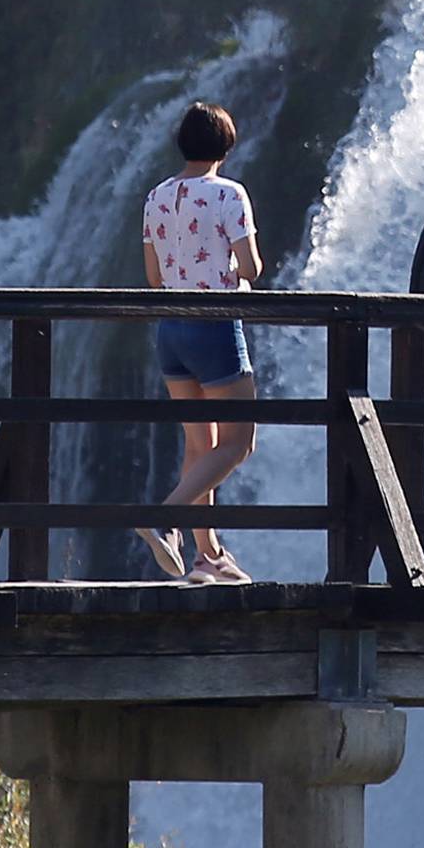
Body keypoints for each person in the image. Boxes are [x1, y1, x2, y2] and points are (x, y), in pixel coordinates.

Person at [137, 101, 262, 584]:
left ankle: (206, 556)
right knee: (237, 442)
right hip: (214, 325)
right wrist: (235, 274)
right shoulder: (230, 194)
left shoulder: (157, 196)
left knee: (200, 446)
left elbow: (153, 276)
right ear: (225, 148)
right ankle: (165, 515)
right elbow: (250, 268)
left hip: (170, 328)